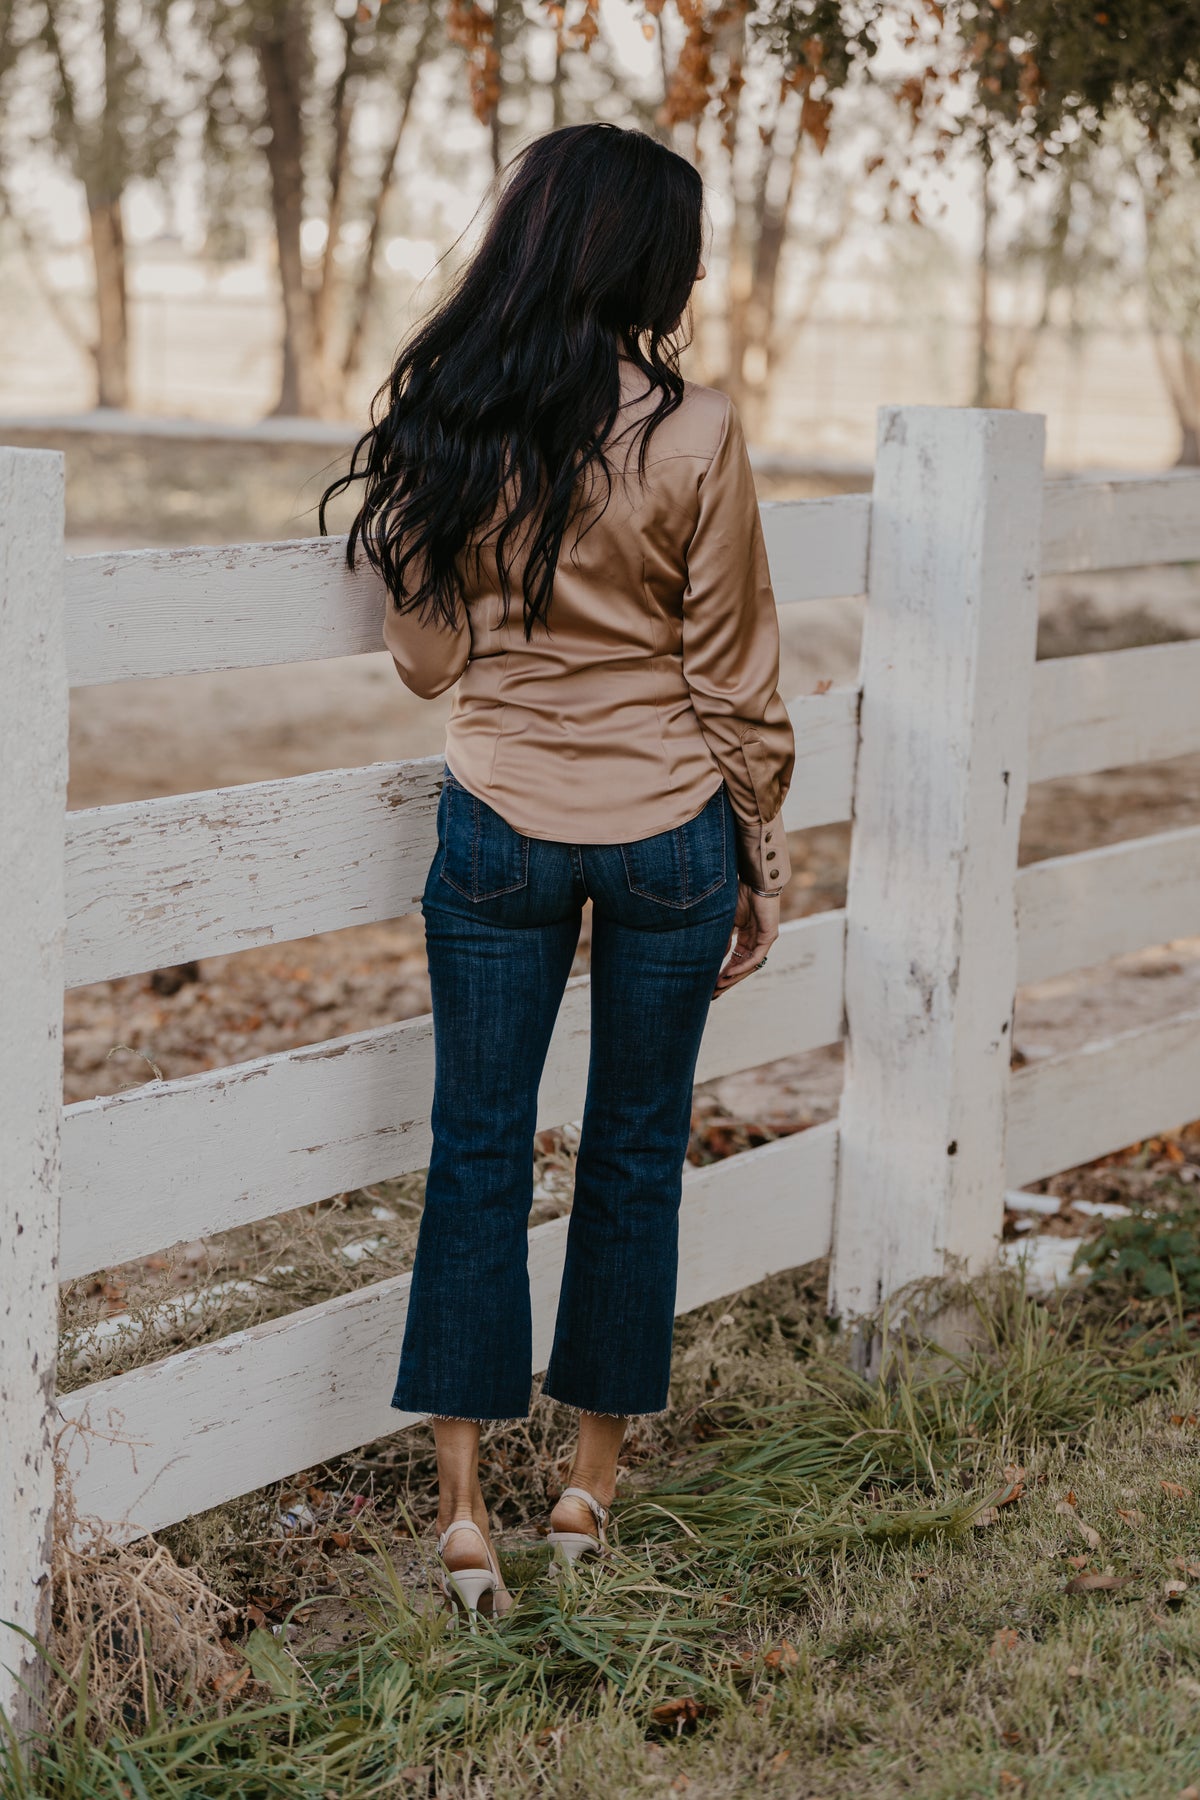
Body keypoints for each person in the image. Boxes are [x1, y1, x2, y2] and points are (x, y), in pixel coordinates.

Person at [322, 121, 794, 1617]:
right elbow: (734, 676)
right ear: (642, 257)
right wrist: (760, 852)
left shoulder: (454, 420)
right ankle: (585, 1498)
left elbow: (426, 664)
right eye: (686, 249)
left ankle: (464, 1517)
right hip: (670, 834)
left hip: (499, 823)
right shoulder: (699, 430)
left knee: (476, 1150)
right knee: (635, 1154)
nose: (697, 274)